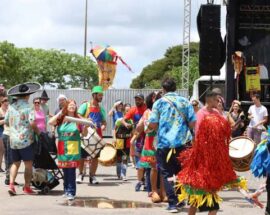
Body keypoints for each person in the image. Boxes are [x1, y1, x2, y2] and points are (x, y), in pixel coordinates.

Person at [177, 112, 247, 215]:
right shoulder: (215, 149)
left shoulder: (200, 145)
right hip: (205, 185)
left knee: (194, 204)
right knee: (213, 209)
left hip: (196, 184)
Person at [148, 78, 196, 213]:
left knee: (167, 173)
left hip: (165, 143)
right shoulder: (185, 101)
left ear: (163, 89)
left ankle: (173, 203)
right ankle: (180, 200)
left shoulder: (159, 103)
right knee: (181, 173)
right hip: (183, 143)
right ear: (175, 88)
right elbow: (193, 123)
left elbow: (152, 124)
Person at [5, 83, 41, 195]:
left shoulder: (11, 107)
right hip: (26, 140)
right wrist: (39, 133)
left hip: (13, 141)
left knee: (15, 163)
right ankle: (26, 187)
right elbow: (32, 123)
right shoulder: (28, 107)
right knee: (28, 164)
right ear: (27, 95)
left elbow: (6, 121)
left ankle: (11, 185)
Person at [49, 99, 86, 200]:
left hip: (73, 149)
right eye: (70, 105)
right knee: (65, 171)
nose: (72, 106)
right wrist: (60, 113)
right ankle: (66, 190)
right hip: (62, 148)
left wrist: (86, 126)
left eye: (74, 105)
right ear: (66, 106)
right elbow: (50, 122)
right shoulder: (61, 118)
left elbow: (85, 134)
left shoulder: (78, 119)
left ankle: (71, 192)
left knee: (71, 171)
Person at [132, 91, 165, 203]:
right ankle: (153, 190)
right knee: (154, 167)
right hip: (151, 142)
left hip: (162, 141)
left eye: (159, 97)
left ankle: (163, 191)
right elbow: (144, 128)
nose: (157, 99)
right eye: (155, 97)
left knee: (162, 168)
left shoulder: (164, 111)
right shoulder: (148, 112)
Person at [77, 86, 107, 185]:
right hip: (86, 134)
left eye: (102, 95)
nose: (101, 97)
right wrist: (86, 120)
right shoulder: (85, 105)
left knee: (95, 157)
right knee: (82, 156)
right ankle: (81, 174)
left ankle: (92, 176)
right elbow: (78, 115)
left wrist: (103, 126)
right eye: (99, 95)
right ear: (94, 95)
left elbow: (104, 121)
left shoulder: (101, 108)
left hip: (97, 135)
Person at [122, 93, 147, 192]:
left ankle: (144, 181)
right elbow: (123, 120)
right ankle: (140, 181)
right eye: (136, 99)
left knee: (148, 161)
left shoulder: (147, 108)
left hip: (148, 136)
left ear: (143, 100)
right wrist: (126, 124)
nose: (137, 101)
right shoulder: (133, 109)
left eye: (139, 99)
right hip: (138, 138)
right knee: (139, 163)